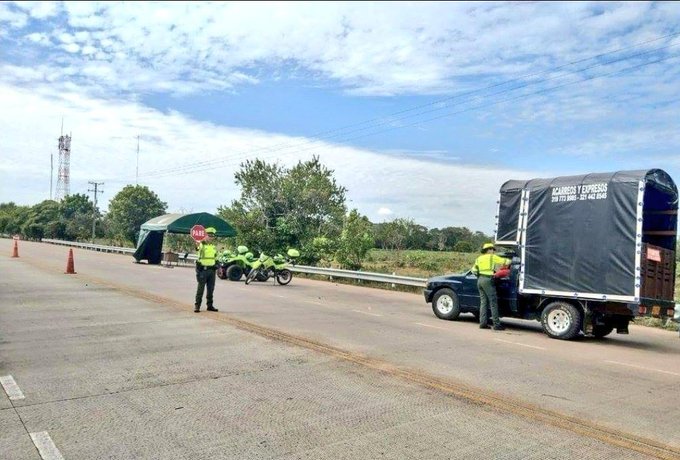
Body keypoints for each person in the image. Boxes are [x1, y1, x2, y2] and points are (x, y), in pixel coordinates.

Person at [472, 243, 510, 330]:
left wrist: (480, 276)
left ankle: (483, 323)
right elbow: (506, 262)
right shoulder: (492, 257)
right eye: (492, 249)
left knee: (483, 302)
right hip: (488, 280)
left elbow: (474, 270)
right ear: (488, 250)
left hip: (480, 280)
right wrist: (510, 262)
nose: (493, 251)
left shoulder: (479, 258)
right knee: (493, 302)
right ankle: (496, 324)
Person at [194, 227, 219, 313]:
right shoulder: (201, 244)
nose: (210, 238)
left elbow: (216, 257)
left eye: (212, 236)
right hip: (203, 270)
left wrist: (218, 265)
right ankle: (197, 306)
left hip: (212, 271)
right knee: (200, 289)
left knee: (211, 289)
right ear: (205, 236)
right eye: (209, 236)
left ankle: (210, 305)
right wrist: (197, 244)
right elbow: (197, 248)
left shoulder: (213, 246)